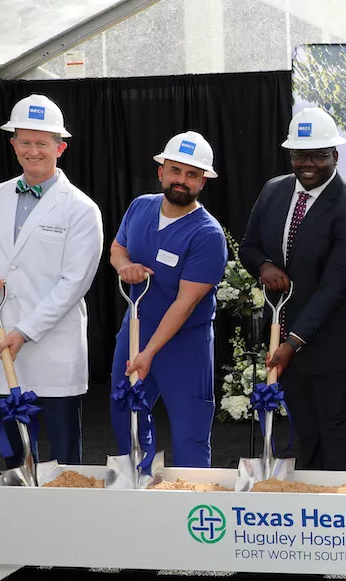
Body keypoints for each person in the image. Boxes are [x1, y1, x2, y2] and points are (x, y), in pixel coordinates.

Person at [0, 94, 103, 468]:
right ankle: (21, 524)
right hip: (2, 342)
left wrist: (24, 331)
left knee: (64, 457)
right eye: (25, 141)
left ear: (60, 147)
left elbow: (74, 283)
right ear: (13, 144)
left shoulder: (81, 208)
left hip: (53, 347)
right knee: (14, 457)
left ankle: (66, 524)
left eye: (42, 143)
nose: (33, 151)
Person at [239, 107, 346, 471]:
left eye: (319, 155)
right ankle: (312, 509)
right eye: (301, 155)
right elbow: (249, 247)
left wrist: (292, 343)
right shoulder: (274, 191)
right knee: (306, 430)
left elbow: (336, 287)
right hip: (289, 337)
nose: (308, 164)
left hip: (336, 339)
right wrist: (265, 266)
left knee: (336, 430)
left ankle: (342, 512)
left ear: (335, 155)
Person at [108, 131, 228, 467]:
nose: (181, 181)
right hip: (134, 335)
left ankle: (191, 508)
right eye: (175, 170)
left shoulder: (207, 234)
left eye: (192, 175)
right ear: (161, 171)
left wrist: (148, 353)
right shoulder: (140, 207)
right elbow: (118, 249)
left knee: (189, 433)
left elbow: (185, 303)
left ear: (202, 182)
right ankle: (140, 491)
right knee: (126, 419)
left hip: (184, 344)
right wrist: (125, 266)